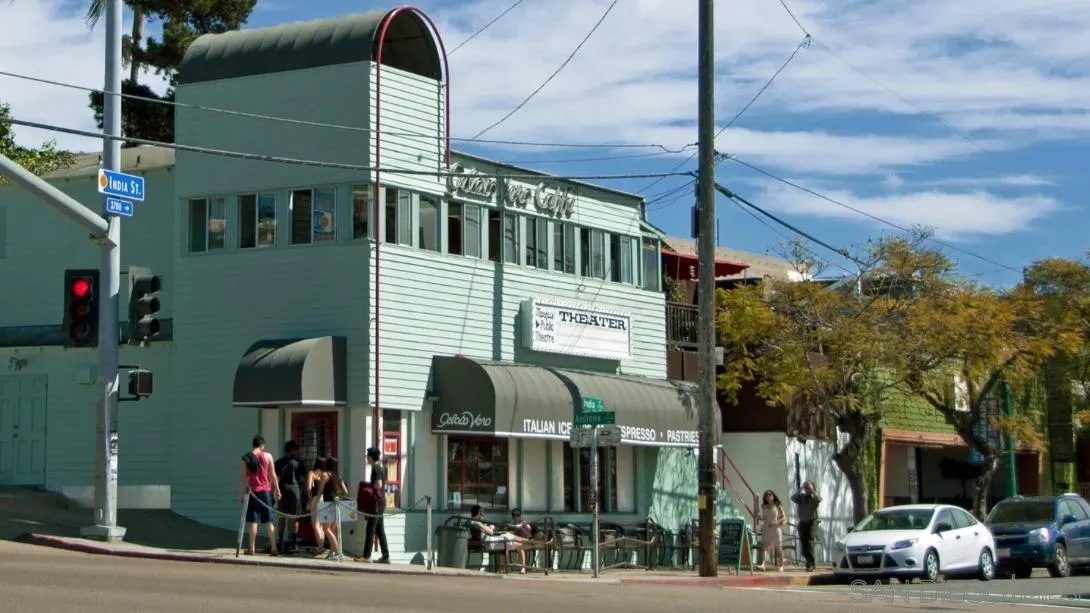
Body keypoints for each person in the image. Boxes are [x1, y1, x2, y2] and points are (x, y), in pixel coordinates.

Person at [239, 435, 281, 556]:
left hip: (252, 492)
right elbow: (272, 474)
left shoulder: (247, 457)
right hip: (265, 491)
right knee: (269, 521)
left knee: (253, 521)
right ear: (262, 445)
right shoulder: (267, 456)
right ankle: (274, 548)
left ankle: (251, 548)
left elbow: (244, 476)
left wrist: (241, 493)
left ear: (253, 444)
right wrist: (277, 489)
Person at [469, 504, 530, 574]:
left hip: (485, 542)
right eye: (482, 513)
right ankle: (531, 542)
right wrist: (491, 527)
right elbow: (491, 532)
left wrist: (485, 527)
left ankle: (501, 569)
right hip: (488, 544)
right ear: (479, 513)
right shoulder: (477, 523)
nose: (483, 515)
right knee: (507, 538)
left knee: (508, 536)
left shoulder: (471, 522)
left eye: (518, 515)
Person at [359, 447, 390, 563]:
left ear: (371, 457)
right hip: (381, 502)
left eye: (367, 456)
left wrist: (367, 487)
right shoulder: (380, 468)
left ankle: (366, 556)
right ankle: (386, 556)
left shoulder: (375, 469)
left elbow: (378, 484)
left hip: (376, 503)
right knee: (380, 530)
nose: (367, 458)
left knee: (370, 529)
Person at [274, 440, 307, 553]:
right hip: (294, 491)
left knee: (282, 517)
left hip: (283, 491)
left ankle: (281, 541)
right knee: (295, 518)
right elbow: (303, 478)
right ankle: (294, 542)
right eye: (295, 449)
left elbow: (275, 478)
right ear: (292, 450)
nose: (296, 451)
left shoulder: (278, 462)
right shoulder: (298, 462)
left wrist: (276, 491)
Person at [319, 457, 348, 560]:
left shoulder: (325, 475)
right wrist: (339, 496)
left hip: (328, 504)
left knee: (326, 529)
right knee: (332, 529)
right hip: (337, 504)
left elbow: (321, 490)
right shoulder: (338, 476)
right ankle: (332, 552)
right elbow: (346, 492)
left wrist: (316, 499)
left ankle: (336, 550)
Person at [791, 480, 822, 572]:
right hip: (802, 522)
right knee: (803, 543)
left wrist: (812, 491)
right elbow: (792, 498)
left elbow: (819, 499)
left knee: (809, 542)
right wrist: (801, 488)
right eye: (806, 488)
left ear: (813, 487)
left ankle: (810, 564)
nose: (807, 489)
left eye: (808, 487)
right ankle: (808, 561)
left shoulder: (814, 497)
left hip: (812, 522)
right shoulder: (801, 497)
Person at [756, 489, 786, 572]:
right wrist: (758, 515)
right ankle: (763, 565)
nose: (768, 496)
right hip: (766, 528)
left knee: (779, 548)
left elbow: (784, 517)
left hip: (775, 529)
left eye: (769, 495)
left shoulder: (777, 505)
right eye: (766, 495)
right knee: (765, 547)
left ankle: (781, 566)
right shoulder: (764, 506)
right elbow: (763, 518)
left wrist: (776, 522)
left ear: (773, 496)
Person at [305, 457, 328, 557]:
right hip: (324, 499)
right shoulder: (324, 475)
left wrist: (309, 500)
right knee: (321, 525)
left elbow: (309, 487)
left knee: (315, 525)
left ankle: (320, 547)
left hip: (316, 499)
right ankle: (321, 545)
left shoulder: (312, 473)